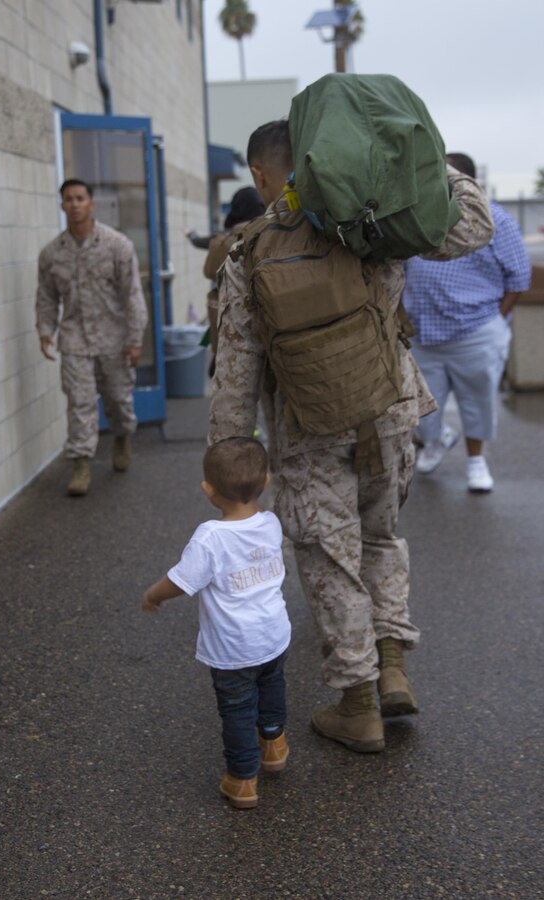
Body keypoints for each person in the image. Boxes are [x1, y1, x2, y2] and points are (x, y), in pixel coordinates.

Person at [208, 121, 495, 753]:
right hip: (389, 414)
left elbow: (235, 373)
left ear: (260, 175)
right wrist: (421, 162)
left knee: (329, 557)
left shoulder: (247, 252)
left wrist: (231, 472)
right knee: (380, 536)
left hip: (307, 429)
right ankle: (391, 662)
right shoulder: (370, 228)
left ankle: (357, 703)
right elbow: (477, 223)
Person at [142, 437, 290, 810]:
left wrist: (154, 595)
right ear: (266, 480)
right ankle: (273, 744)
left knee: (238, 709)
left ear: (208, 490)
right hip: (274, 634)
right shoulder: (270, 523)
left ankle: (242, 780)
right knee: (272, 688)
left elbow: (182, 580)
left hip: (234, 646)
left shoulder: (210, 538)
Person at [403, 153, 532, 492]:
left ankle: (476, 462)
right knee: (419, 407)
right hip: (422, 334)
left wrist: (495, 322)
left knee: (478, 403)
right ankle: (436, 440)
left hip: (475, 331)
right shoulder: (415, 220)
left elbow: (518, 279)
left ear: (467, 185)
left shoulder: (497, 220)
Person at [36, 179, 148, 496]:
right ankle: (81, 465)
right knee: (80, 403)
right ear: (62, 206)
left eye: (80, 198)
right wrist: (45, 331)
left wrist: (135, 338)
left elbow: (132, 296)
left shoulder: (118, 246)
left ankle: (123, 436)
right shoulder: (51, 254)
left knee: (118, 398)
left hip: (114, 339)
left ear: (91, 203)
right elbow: (46, 298)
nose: (74, 204)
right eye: (68, 199)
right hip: (74, 340)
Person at [186, 186, 265, 358]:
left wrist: (191, 234)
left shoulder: (224, 243)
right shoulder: (273, 238)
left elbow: (201, 245)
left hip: (231, 342)